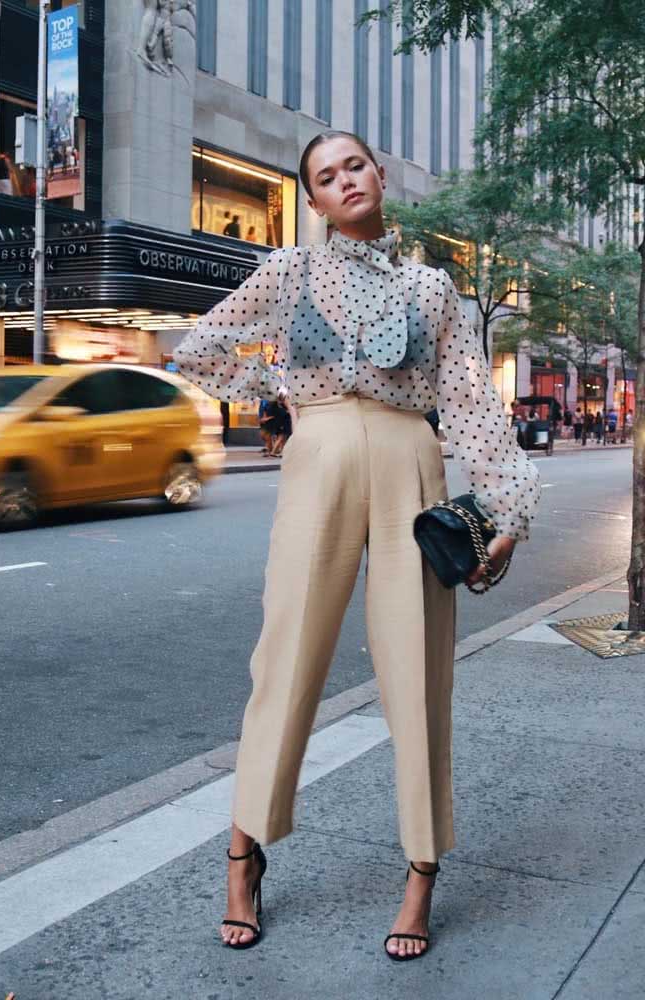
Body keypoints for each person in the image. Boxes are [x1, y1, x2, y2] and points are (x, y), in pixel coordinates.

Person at [175, 130, 540, 961]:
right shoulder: (291, 272)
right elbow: (199, 348)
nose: (345, 181)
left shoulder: (432, 287)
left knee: (418, 670)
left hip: (414, 457)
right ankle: (243, 853)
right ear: (314, 200)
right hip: (321, 458)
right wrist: (284, 395)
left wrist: (511, 505)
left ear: (379, 175)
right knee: (286, 659)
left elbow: (472, 404)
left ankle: (421, 870)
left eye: (355, 166)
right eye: (326, 176)